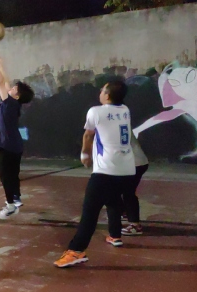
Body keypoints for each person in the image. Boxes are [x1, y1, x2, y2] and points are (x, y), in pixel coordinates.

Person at [54, 80, 136, 268]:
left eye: (103, 90)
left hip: (106, 171)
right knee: (113, 201)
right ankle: (115, 235)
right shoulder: (125, 110)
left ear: (107, 95)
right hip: (127, 170)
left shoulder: (96, 112)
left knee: (89, 212)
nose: (100, 92)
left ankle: (76, 251)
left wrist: (85, 154)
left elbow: (88, 135)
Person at [0, 53, 34, 220]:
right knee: (12, 174)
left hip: (8, 145)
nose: (11, 88)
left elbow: (2, 82)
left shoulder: (11, 103)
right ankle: (16, 198)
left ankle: (11, 206)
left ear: (17, 95)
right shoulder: (11, 103)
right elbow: (4, 83)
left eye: (14, 89)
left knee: (5, 175)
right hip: (13, 144)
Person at [120, 133, 149, 236]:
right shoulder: (117, 123)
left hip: (134, 163)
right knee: (117, 189)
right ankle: (124, 212)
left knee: (128, 192)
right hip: (135, 162)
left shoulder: (111, 126)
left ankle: (135, 225)